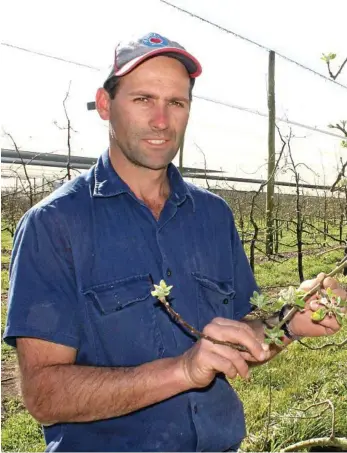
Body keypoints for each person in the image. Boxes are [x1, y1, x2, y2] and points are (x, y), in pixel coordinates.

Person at [3, 32, 346, 452]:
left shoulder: (213, 216)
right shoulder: (54, 225)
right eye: (143, 99)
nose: (162, 121)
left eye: (176, 103)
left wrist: (291, 324)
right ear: (106, 105)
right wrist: (183, 369)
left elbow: (239, 338)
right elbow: (42, 394)